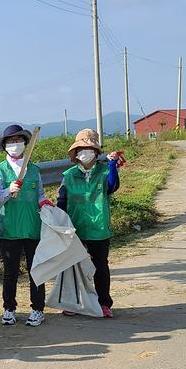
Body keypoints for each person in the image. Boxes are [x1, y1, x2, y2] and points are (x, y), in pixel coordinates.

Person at [0, 125, 53, 327]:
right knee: (10, 272)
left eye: (18, 140)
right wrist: (9, 190)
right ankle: (9, 309)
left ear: (26, 143)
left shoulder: (34, 170)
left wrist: (44, 202)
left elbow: (40, 193)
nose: (15, 144)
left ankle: (37, 309)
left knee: (36, 270)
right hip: (8, 230)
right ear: (5, 146)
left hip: (32, 228)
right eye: (11, 141)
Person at [57, 129, 124, 318]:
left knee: (100, 266)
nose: (85, 152)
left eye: (89, 148)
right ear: (76, 153)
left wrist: (112, 165)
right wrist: (60, 224)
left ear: (96, 152)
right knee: (74, 267)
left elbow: (112, 187)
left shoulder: (104, 171)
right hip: (75, 228)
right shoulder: (69, 175)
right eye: (81, 149)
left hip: (98, 228)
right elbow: (62, 201)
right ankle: (74, 303)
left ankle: (104, 303)